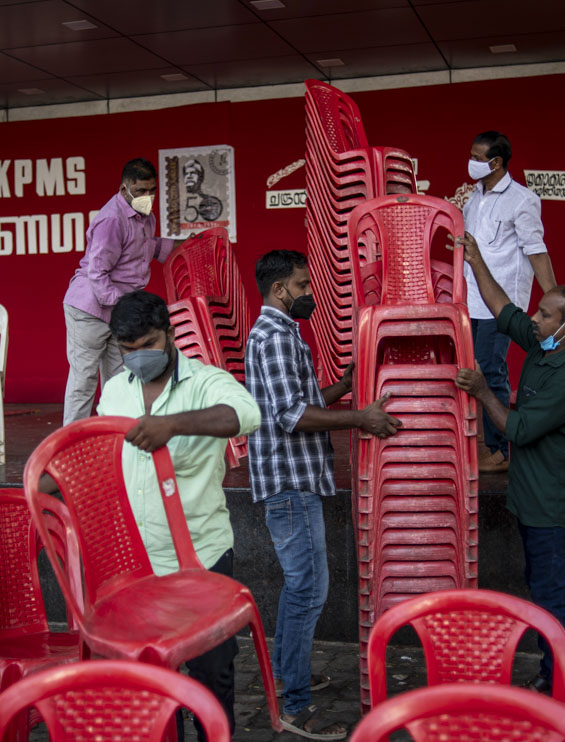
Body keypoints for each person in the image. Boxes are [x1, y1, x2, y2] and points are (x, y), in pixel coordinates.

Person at [245, 249, 401, 740]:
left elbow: (300, 401)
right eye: (303, 285)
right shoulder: (272, 338)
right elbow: (292, 416)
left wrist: (344, 387)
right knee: (306, 592)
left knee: (302, 590)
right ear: (279, 291)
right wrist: (362, 417)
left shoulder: (286, 334)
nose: (310, 293)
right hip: (290, 487)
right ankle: (294, 705)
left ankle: (291, 676)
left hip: (299, 482)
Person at [95, 290, 261, 741]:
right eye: (128, 351)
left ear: (169, 334)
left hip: (201, 561)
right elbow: (97, 451)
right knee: (152, 682)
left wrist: (174, 424)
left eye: (148, 344)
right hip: (138, 566)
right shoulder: (114, 391)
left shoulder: (206, 382)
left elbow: (245, 414)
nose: (139, 358)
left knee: (210, 677)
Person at [454, 229, 565, 708]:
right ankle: (550, 676)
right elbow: (502, 309)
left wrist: (481, 392)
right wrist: (474, 260)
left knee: (552, 599)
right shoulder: (544, 344)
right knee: (542, 593)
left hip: (553, 503)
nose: (534, 319)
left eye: (544, 315)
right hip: (532, 497)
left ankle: (564, 695)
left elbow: (515, 429)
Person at [461, 131, 557, 473]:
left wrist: (554, 302)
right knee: (472, 371)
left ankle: (500, 450)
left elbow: (536, 251)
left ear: (496, 162)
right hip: (469, 300)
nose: (470, 162)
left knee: (490, 371)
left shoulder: (522, 199)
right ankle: (482, 442)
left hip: (500, 306)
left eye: (477, 156)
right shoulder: (474, 197)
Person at [62, 158, 183, 427]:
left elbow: (143, 247)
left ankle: (114, 438)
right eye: (140, 191)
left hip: (116, 310)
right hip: (90, 310)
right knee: (83, 381)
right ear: (124, 188)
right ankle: (69, 446)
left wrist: (182, 245)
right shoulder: (111, 219)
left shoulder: (144, 217)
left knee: (119, 381)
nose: (146, 196)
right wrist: (124, 307)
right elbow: (97, 273)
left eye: (150, 190)